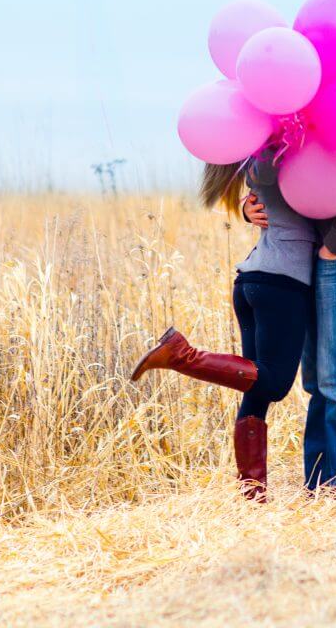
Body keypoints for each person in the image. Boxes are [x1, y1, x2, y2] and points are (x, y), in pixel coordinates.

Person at [130, 150, 316, 500]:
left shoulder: (260, 161)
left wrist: (247, 209)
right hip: (282, 282)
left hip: (251, 282)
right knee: (274, 384)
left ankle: (252, 494)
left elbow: (272, 200)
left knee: (256, 389)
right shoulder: (293, 157)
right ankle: (180, 355)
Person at [244, 158, 336, 489]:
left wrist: (334, 247)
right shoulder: (298, 120)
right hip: (309, 264)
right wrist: (248, 207)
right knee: (317, 380)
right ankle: (321, 486)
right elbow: (274, 177)